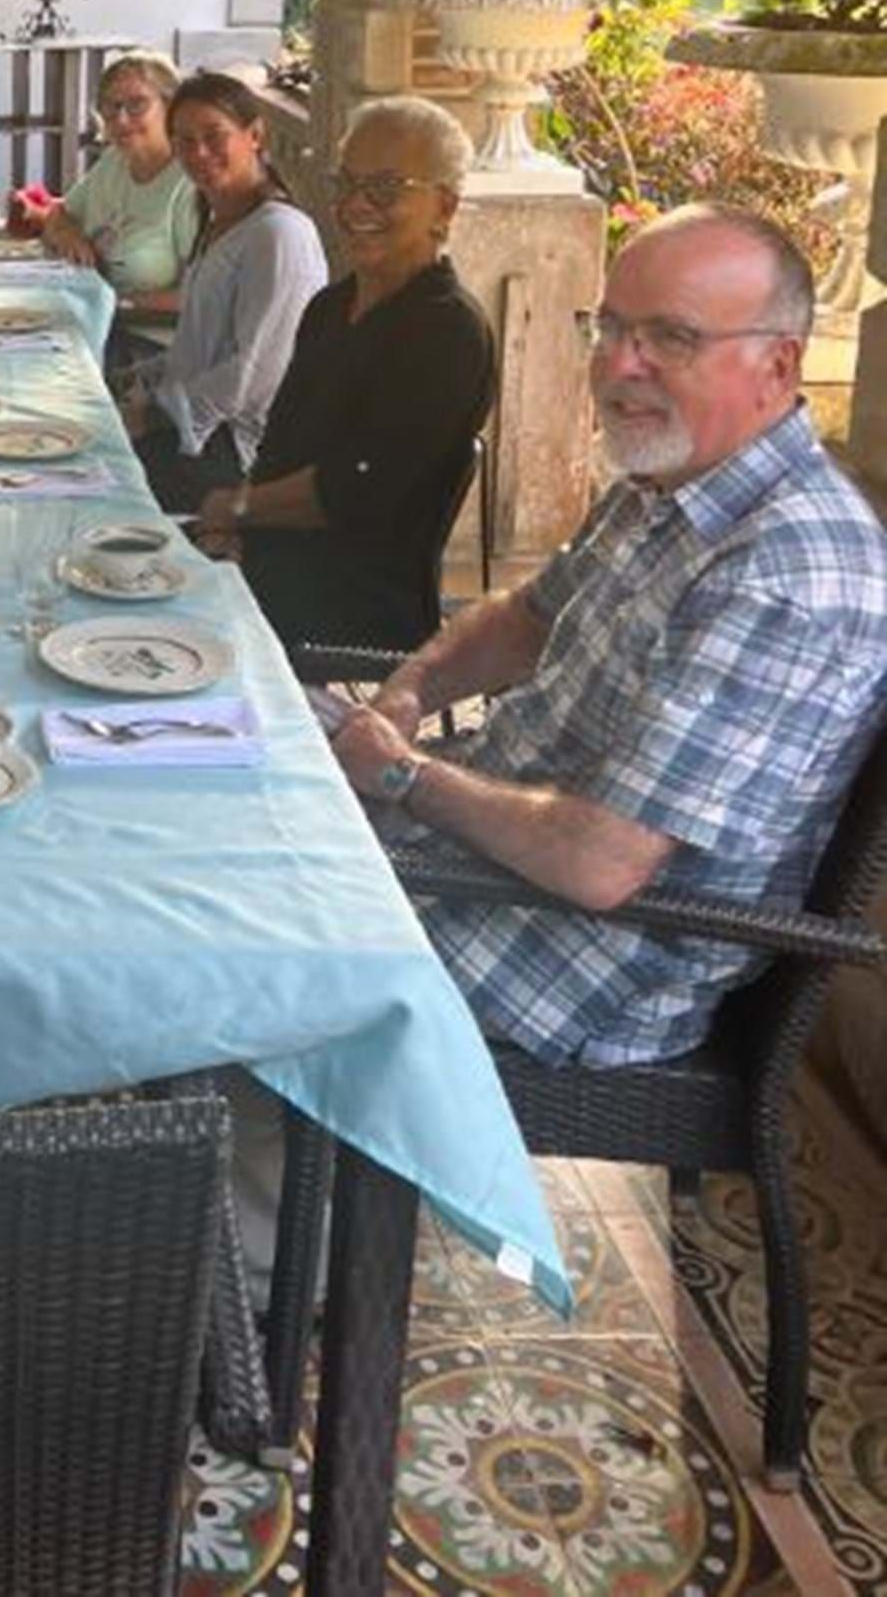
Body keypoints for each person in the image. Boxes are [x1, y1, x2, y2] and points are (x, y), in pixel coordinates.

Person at [222, 203, 887, 1292]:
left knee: (240, 944)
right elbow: (528, 616)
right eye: (610, 327)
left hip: (596, 953)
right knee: (230, 752)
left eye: (671, 337)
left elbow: (602, 862)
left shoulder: (787, 571)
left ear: (780, 364)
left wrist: (403, 773)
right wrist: (412, 688)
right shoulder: (674, 486)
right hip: (498, 857)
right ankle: (240, 1193)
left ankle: (261, 1287)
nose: (621, 364)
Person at [194, 97, 495, 648]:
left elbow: (347, 491)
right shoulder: (331, 307)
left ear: (445, 207)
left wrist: (233, 509)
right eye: (346, 184)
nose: (355, 206)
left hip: (353, 600)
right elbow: (279, 449)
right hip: (271, 556)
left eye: (385, 189)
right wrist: (232, 528)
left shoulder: (449, 332)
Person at [126, 66, 326, 512]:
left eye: (214, 136)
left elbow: (254, 375)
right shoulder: (219, 221)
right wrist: (140, 378)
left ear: (255, 135)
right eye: (184, 141)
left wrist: (151, 416)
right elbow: (202, 347)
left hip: (231, 456)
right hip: (191, 432)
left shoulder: (279, 234)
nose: (199, 153)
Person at [42, 49, 198, 379]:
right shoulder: (114, 161)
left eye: (137, 105)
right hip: (93, 324)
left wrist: (116, 302)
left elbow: (199, 296)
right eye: (111, 108)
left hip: (148, 346)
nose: (121, 119)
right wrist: (69, 234)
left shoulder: (188, 182)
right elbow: (58, 213)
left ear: (170, 106)